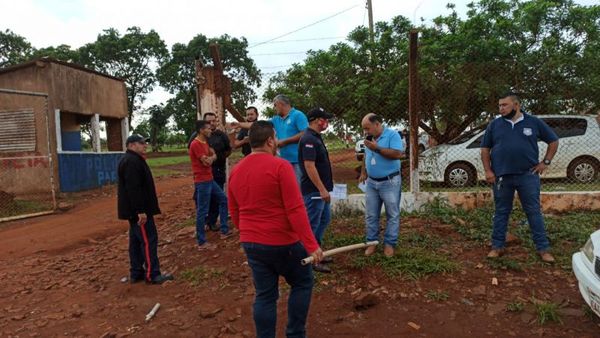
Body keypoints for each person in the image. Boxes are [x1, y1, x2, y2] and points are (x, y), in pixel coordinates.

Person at [228, 120, 323, 338]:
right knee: (302, 282)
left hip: (252, 243)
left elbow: (234, 209)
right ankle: (295, 334)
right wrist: (311, 245)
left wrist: (247, 234)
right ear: (270, 141)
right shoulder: (280, 166)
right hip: (283, 243)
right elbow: (296, 209)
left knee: (265, 295)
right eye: (276, 138)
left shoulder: (236, 170)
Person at [480, 92, 559, 263]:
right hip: (502, 177)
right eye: (500, 105)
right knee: (501, 212)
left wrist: (545, 162)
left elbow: (553, 141)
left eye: (505, 105)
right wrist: (488, 171)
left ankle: (543, 249)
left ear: (516, 105)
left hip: (527, 175)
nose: (501, 108)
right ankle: (497, 246)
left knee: (533, 212)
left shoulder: (533, 122)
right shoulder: (495, 125)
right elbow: (485, 149)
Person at [117, 134, 173, 284]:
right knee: (149, 240)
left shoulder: (133, 160)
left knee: (136, 241)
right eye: (141, 143)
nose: (145, 145)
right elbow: (133, 188)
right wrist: (140, 210)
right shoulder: (131, 161)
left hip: (135, 210)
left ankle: (136, 272)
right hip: (139, 212)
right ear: (131, 145)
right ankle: (152, 274)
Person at [229, 94, 308, 184]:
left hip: (297, 160)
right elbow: (257, 124)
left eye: (275, 105)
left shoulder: (298, 115)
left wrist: (285, 141)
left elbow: (305, 133)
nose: (274, 108)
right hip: (284, 160)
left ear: (281, 104)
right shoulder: (276, 119)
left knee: (299, 187)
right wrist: (239, 124)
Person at [358, 113, 405, 258]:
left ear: (377, 124)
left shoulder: (392, 135)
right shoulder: (369, 138)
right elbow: (366, 155)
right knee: (371, 215)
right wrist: (363, 172)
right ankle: (372, 242)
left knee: (392, 214)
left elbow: (397, 154)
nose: (366, 132)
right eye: (364, 129)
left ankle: (389, 244)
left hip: (390, 182)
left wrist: (376, 148)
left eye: (367, 128)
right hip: (372, 182)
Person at [299, 107, 335, 273]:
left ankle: (317, 252)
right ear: (315, 120)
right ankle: (311, 259)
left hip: (321, 191)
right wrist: (321, 189)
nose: (326, 122)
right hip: (314, 191)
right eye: (324, 119)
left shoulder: (315, 137)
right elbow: (309, 165)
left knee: (324, 220)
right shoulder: (308, 139)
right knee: (312, 224)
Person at [189, 120, 232, 251]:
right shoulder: (195, 144)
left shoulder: (205, 142)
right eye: (208, 128)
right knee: (202, 210)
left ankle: (224, 230)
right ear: (201, 130)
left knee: (224, 200)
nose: (210, 130)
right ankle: (201, 242)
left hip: (209, 179)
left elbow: (211, 157)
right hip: (202, 181)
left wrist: (212, 156)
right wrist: (213, 156)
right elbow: (207, 162)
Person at [203, 112, 232, 231]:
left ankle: (213, 222)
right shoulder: (198, 135)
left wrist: (220, 157)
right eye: (209, 121)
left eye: (213, 121)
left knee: (217, 196)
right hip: (204, 171)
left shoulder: (221, 135)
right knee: (204, 197)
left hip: (218, 170)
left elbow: (228, 149)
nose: (211, 124)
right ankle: (204, 222)